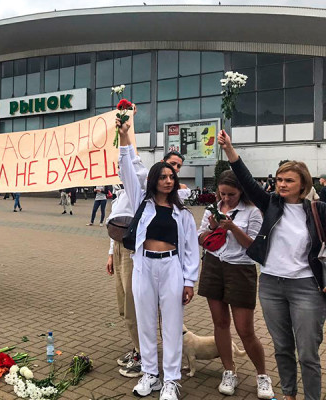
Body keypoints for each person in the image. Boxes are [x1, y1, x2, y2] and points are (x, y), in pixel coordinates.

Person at [218, 130, 326, 400]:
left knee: (308, 352)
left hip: (306, 287)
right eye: (279, 179)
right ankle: (289, 395)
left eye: (289, 180)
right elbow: (245, 178)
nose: (282, 184)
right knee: (282, 347)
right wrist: (230, 150)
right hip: (270, 285)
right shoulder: (271, 205)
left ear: (303, 185)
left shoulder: (318, 210)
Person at [117, 118, 199, 400]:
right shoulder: (142, 200)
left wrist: (189, 281)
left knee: (173, 324)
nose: (167, 180)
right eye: (162, 177)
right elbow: (127, 169)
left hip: (170, 267)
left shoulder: (183, 213)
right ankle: (150, 375)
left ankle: (172, 380)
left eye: (171, 177)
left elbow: (190, 251)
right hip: (143, 266)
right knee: (146, 321)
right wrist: (125, 137)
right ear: (153, 180)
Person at [197, 170, 274, 398]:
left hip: (241, 269)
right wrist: (211, 228)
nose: (226, 199)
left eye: (231, 194)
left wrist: (232, 228)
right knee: (220, 322)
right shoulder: (212, 209)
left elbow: (253, 246)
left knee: (245, 330)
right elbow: (200, 237)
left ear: (241, 191)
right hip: (213, 265)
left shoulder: (252, 212)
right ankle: (229, 370)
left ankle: (263, 375)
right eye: (222, 194)